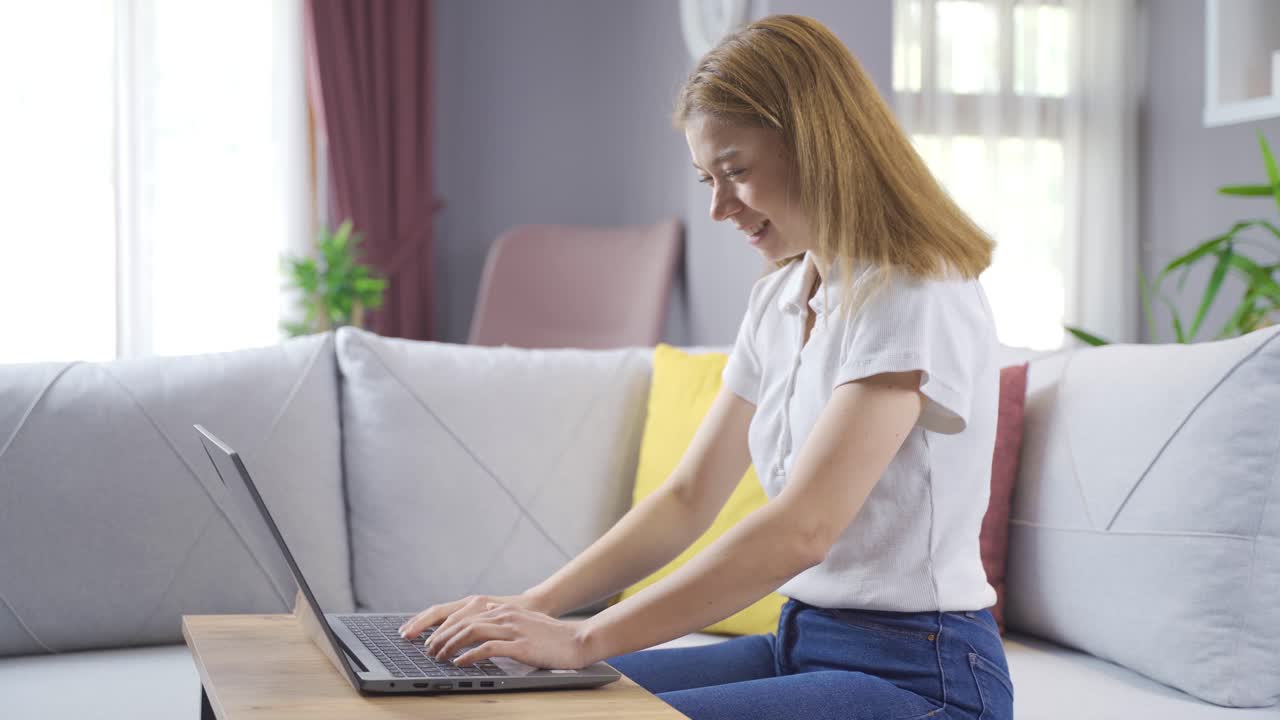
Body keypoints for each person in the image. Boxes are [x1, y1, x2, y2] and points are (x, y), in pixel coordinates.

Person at [398, 14, 1012, 720]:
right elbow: (689, 497)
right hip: (801, 642)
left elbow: (804, 528)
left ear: (818, 145)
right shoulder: (781, 298)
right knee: (528, 697)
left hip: (925, 678)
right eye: (706, 179)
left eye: (736, 172)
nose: (718, 207)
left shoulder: (916, 289)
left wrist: (584, 638)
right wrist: (531, 609)